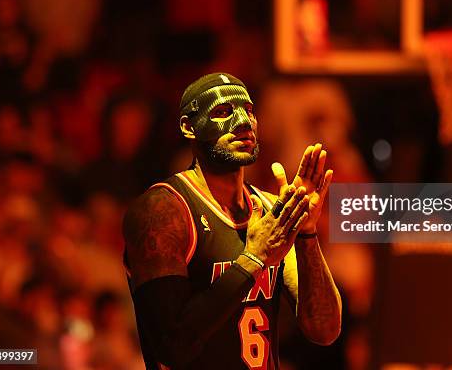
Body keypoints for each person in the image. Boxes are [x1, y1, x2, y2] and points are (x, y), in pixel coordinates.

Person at [122, 72, 342, 369]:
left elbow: (325, 330)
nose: (242, 122)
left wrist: (306, 231)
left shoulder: (269, 209)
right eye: (223, 112)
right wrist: (252, 259)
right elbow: (172, 347)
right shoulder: (163, 210)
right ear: (189, 127)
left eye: (248, 111)